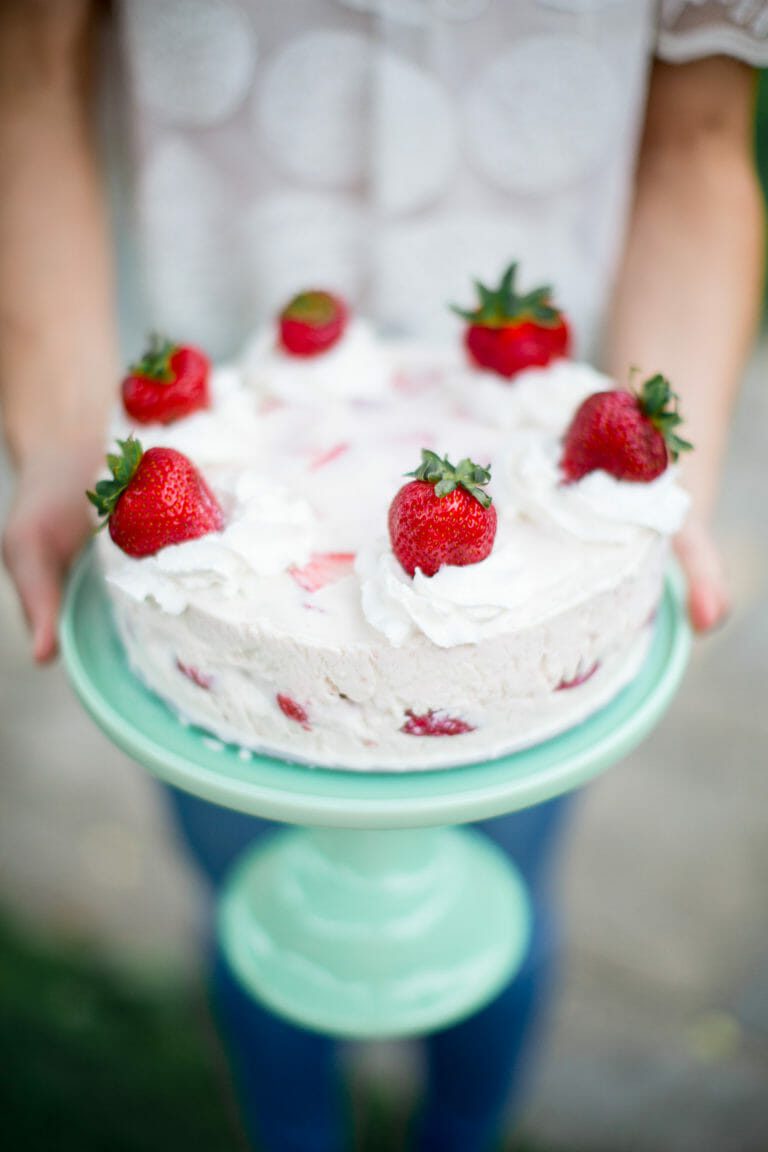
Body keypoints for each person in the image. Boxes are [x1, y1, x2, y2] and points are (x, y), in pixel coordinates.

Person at [1, 3, 765, 1150]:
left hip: (540, 548)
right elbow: (29, 80)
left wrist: (659, 486)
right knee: (257, 913)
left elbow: (704, 137)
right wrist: (63, 442)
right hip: (198, 478)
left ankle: (463, 1136)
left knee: (497, 907)